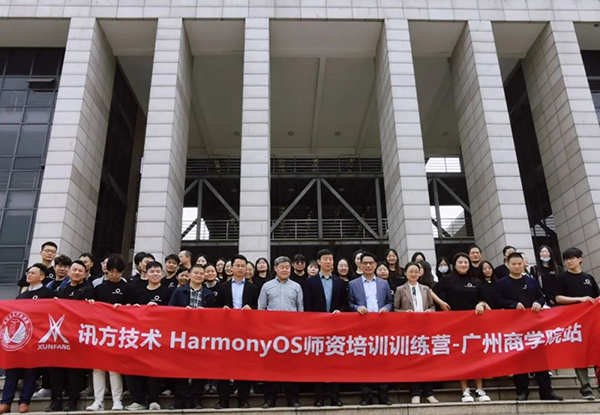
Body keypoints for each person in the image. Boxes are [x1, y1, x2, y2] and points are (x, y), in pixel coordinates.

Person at [494, 253, 563, 401]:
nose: (517, 266)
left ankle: (546, 391)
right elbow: (497, 301)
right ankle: (522, 391)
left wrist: (538, 302)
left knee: (540, 358)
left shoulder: (531, 281)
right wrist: (512, 304)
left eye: (519, 264)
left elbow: (541, 296)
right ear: (507, 265)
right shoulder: (501, 283)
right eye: (514, 264)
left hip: (534, 326)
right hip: (515, 327)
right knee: (519, 359)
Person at [432, 252, 491, 403]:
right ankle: (465, 390)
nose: (463, 265)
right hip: (456, 325)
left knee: (477, 356)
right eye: (460, 262)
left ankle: (479, 389)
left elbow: (483, 299)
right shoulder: (448, 280)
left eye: (465, 262)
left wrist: (480, 304)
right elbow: (430, 291)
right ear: (455, 265)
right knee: (461, 356)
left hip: (474, 324)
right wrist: (441, 303)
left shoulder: (476, 281)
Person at [1, 264, 53, 414]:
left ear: (42, 277)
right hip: (19, 340)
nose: (29, 275)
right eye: (28, 273)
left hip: (36, 340)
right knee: (12, 370)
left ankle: (24, 401)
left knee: (31, 370)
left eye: (33, 273)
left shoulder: (48, 294)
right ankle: (6, 402)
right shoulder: (21, 296)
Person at [47, 260, 94, 412]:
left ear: (85, 274)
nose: (77, 273)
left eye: (80, 271)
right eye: (74, 270)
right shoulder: (62, 290)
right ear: (69, 272)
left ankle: (72, 401)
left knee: (75, 371)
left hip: (78, 336)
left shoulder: (88, 290)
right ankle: (55, 401)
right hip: (60, 336)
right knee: (56, 370)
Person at [125, 261, 172, 411]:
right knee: (132, 368)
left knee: (154, 369)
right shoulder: (137, 292)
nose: (155, 274)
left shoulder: (168, 292)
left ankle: (154, 400)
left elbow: (173, 312)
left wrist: (160, 310)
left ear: (162, 274)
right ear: (146, 274)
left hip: (159, 337)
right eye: (152, 271)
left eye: (158, 272)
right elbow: (128, 311)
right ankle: (138, 400)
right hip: (139, 336)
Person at [214, 255, 259, 409]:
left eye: (243, 266)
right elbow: (215, 307)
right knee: (224, 367)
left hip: (246, 331)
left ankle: (243, 400)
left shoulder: (253, 288)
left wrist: (251, 309)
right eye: (237, 265)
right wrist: (222, 309)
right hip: (226, 331)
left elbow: (259, 308)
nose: (240, 268)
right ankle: (223, 400)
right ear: (231, 268)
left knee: (244, 366)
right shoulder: (222, 287)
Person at [348, 252, 393, 405]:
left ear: (375, 265)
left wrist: (386, 308)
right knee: (364, 361)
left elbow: (390, 302)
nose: (368, 266)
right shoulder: (353, 284)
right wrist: (357, 308)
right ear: (360, 265)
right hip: (362, 326)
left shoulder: (383, 283)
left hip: (381, 326)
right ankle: (366, 395)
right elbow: (350, 303)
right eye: (365, 263)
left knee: (382, 360)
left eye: (371, 263)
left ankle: (383, 394)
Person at [303, 249, 346, 407]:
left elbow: (345, 304)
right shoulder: (310, 282)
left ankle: (335, 396)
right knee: (318, 363)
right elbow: (307, 306)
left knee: (335, 362)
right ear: (319, 262)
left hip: (336, 328)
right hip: (316, 328)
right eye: (325, 259)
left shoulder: (340, 282)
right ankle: (319, 396)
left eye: (331, 259)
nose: (329, 262)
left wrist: (340, 311)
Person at [258, 256, 303, 408]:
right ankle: (269, 398)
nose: (285, 270)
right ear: (275, 268)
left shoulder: (296, 287)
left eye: (287, 267)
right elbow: (261, 309)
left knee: (292, 366)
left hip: (291, 332)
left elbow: (300, 309)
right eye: (282, 267)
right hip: (271, 332)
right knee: (270, 365)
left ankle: (292, 398)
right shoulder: (267, 286)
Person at [87, 255, 130, 411]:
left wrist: (124, 307)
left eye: (117, 272)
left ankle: (117, 401)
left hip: (118, 332)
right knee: (98, 367)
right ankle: (98, 401)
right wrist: (91, 303)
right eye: (111, 271)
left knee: (114, 368)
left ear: (122, 272)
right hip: (100, 332)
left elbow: (133, 308)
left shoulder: (127, 288)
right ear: (107, 271)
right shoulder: (99, 287)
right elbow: (89, 306)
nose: (114, 274)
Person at [555, 247, 599, 400]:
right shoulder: (562, 278)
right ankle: (586, 388)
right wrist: (579, 300)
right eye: (566, 259)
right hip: (574, 324)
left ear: (580, 259)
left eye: (572, 258)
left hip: (592, 322)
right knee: (579, 355)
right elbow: (558, 298)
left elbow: (597, 297)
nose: (569, 261)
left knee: (597, 352)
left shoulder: (588, 278)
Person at [169, 264, 214, 409]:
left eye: (201, 273)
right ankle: (180, 399)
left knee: (199, 368)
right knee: (180, 368)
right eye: (196, 273)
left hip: (201, 336)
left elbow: (216, 315)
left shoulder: (209, 294)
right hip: (183, 334)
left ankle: (196, 399)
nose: (199, 276)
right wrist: (182, 312)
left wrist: (206, 312)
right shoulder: (179, 291)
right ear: (189, 275)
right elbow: (170, 310)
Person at [393, 262, 438, 404]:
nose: (413, 274)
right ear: (405, 273)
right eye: (410, 271)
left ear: (420, 273)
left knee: (427, 361)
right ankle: (415, 393)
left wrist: (430, 311)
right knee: (413, 361)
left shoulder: (426, 289)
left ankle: (428, 392)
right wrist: (405, 313)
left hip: (425, 329)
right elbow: (395, 309)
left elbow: (432, 306)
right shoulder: (400, 289)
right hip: (408, 330)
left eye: (416, 271)